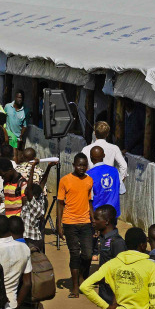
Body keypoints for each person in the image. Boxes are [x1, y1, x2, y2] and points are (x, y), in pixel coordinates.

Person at [56, 153, 94, 297]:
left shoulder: (89, 180)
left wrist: (93, 220)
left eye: (84, 165)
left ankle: (81, 276)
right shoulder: (65, 180)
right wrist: (59, 225)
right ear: (73, 165)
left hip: (85, 222)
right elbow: (60, 204)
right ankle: (76, 287)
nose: (82, 168)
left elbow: (89, 201)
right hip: (69, 222)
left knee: (88, 254)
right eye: (79, 165)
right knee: (74, 254)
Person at [82, 121, 128, 191]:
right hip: (108, 186)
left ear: (94, 133)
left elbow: (81, 167)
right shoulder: (114, 148)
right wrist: (118, 182)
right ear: (107, 134)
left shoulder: (86, 149)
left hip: (91, 185)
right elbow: (124, 166)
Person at [86, 146, 121, 219]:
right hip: (113, 213)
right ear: (104, 155)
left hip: (98, 215)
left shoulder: (89, 174)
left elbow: (87, 197)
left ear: (91, 157)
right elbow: (122, 190)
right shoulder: (114, 171)